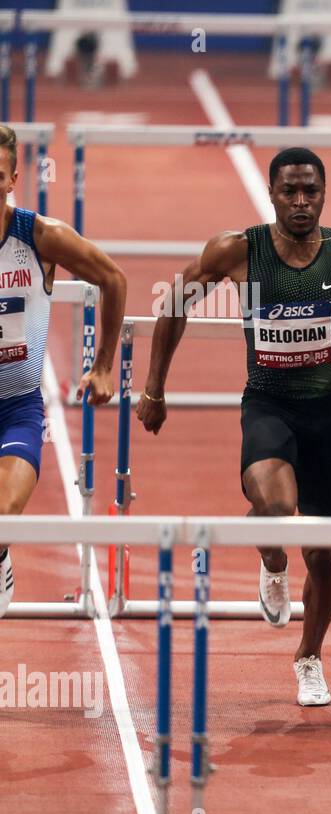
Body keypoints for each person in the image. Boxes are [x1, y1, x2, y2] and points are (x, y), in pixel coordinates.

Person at [137, 147, 331, 706]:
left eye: (311, 192)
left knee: (325, 555)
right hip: (268, 406)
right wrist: (155, 388)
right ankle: (271, 559)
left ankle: (309, 657)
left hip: (329, 416)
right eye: (289, 192)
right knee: (275, 508)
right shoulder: (238, 250)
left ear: (324, 194)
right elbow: (173, 305)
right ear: (272, 193)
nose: (300, 203)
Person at [0, 124, 127, 617]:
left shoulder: (38, 236)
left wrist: (103, 367)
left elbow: (112, 278)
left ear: (12, 178)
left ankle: (2, 553)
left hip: (17, 409)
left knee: (5, 515)